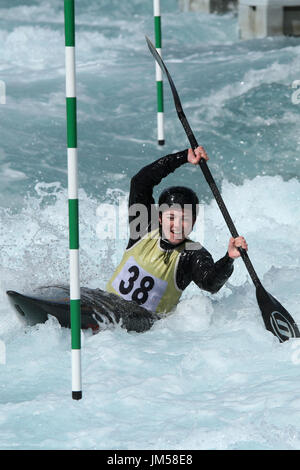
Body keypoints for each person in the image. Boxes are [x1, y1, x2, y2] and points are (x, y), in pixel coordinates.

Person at [105, 146, 248, 330]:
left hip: (144, 328)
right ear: (159, 217)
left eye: (185, 219)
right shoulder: (143, 227)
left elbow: (210, 283)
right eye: (171, 217)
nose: (178, 225)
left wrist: (229, 258)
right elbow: (140, 182)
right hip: (106, 304)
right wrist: (182, 157)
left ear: (194, 222)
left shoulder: (192, 254)